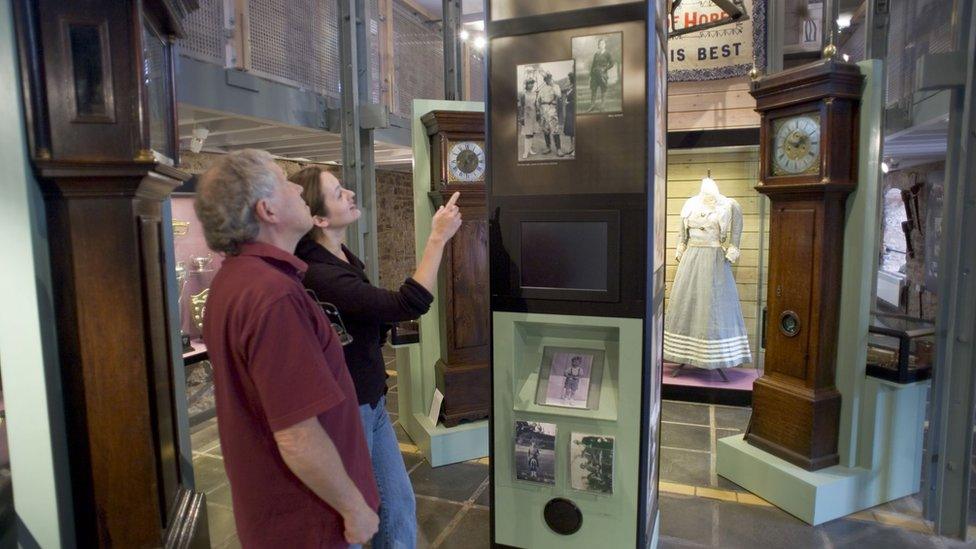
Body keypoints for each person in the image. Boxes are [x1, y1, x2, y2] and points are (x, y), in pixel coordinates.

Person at [194, 150, 379, 548]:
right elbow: (296, 433)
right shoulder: (272, 294)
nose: (298, 187)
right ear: (268, 210)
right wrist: (354, 508)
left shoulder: (236, 280)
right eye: (285, 181)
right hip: (309, 521)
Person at [291, 166, 463, 549]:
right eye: (338, 193)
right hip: (350, 407)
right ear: (318, 218)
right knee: (352, 516)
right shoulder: (320, 274)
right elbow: (407, 303)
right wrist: (438, 238)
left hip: (371, 398)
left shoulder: (340, 257)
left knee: (397, 504)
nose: (350, 193)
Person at [535, 71, 564, 156]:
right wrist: (539, 109)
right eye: (546, 79)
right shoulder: (542, 89)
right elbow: (538, 100)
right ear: (545, 80)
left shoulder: (556, 86)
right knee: (545, 130)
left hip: (551, 109)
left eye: (549, 78)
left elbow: (559, 95)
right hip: (543, 110)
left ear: (551, 78)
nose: (547, 80)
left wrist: (552, 85)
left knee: (555, 129)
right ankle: (548, 147)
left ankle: (559, 149)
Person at [587, 38, 615, 112]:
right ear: (598, 45)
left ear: (605, 45)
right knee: (593, 90)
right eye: (600, 44)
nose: (601, 45)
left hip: (603, 75)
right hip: (595, 75)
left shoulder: (607, 54)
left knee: (603, 90)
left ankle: (602, 107)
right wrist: (590, 76)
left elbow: (612, 63)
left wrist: (605, 69)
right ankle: (592, 106)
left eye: (603, 43)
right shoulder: (596, 54)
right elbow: (593, 65)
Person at [517, 77, 539, 159]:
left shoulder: (535, 93)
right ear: (526, 84)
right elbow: (521, 107)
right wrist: (521, 117)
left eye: (532, 83)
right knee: (527, 134)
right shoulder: (523, 94)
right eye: (530, 83)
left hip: (533, 115)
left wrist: (537, 113)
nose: (531, 85)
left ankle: (530, 149)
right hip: (526, 115)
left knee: (532, 132)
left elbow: (536, 104)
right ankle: (525, 152)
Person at [560, 72, 576, 156]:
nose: (568, 80)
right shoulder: (570, 88)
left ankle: (575, 149)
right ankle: (571, 147)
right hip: (569, 110)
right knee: (570, 130)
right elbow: (562, 90)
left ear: (572, 79)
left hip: (573, 110)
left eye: (569, 79)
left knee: (574, 129)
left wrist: (568, 102)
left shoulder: (575, 88)